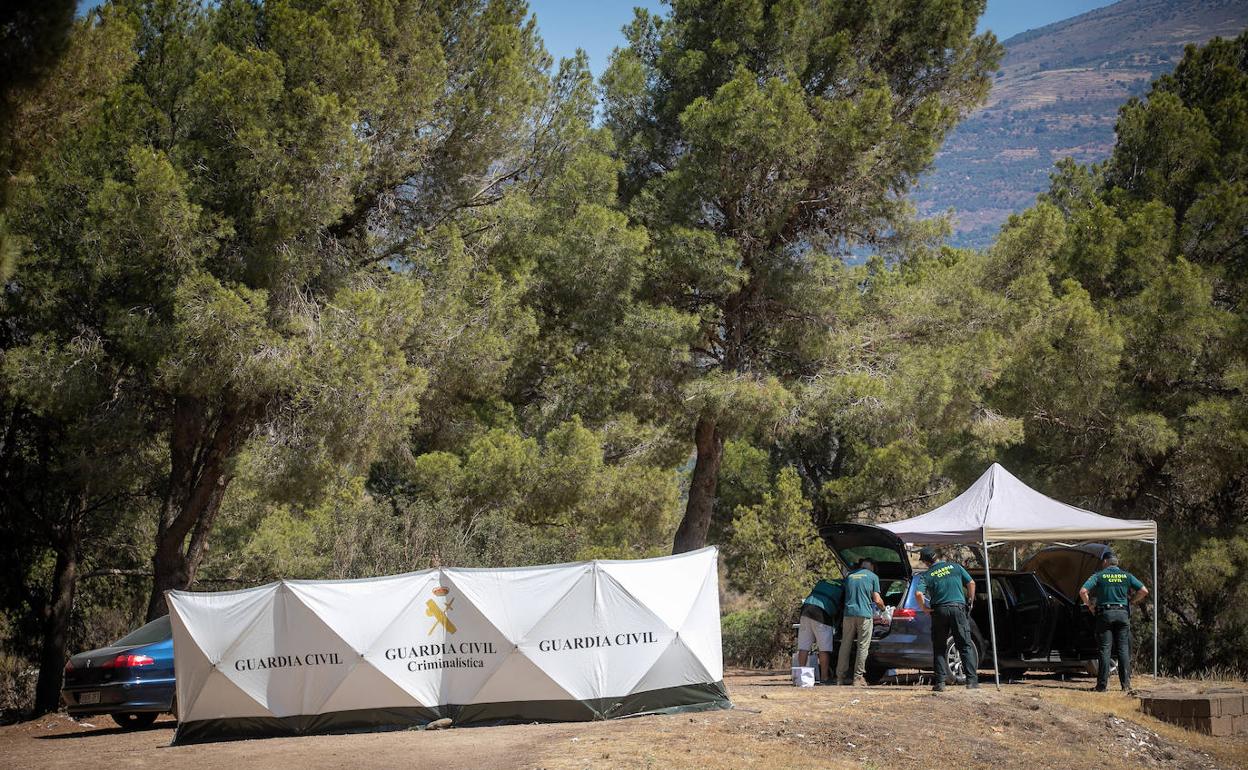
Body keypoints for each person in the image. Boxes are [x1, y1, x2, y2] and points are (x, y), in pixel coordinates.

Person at [1079, 551, 1149, 692]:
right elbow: (1144, 591)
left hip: (1105, 615)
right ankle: (1126, 685)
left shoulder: (1099, 575)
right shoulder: (1126, 576)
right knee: (1123, 649)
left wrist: (1090, 606)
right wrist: (1132, 601)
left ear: (1105, 562)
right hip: (1123, 614)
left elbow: (1083, 591)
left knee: (1105, 649)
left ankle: (1102, 686)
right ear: (1116, 562)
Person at [914, 547, 978, 691]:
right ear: (936, 557)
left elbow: (918, 593)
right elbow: (971, 583)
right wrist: (970, 601)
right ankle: (972, 681)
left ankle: (940, 683)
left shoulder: (928, 574)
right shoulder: (955, 567)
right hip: (958, 608)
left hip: (939, 611)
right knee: (964, 645)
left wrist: (924, 608)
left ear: (925, 561)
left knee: (939, 646)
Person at [836, 558, 885, 686]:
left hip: (848, 615)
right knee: (862, 646)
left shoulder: (849, 576)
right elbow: (877, 600)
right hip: (864, 615)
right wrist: (884, 610)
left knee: (845, 645)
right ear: (872, 567)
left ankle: (840, 677)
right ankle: (858, 678)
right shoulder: (873, 577)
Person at [797, 578, 843, 684]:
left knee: (804, 646)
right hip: (821, 613)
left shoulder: (824, 581)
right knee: (824, 648)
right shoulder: (843, 587)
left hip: (806, 609)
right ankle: (824, 678)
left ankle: (801, 678)